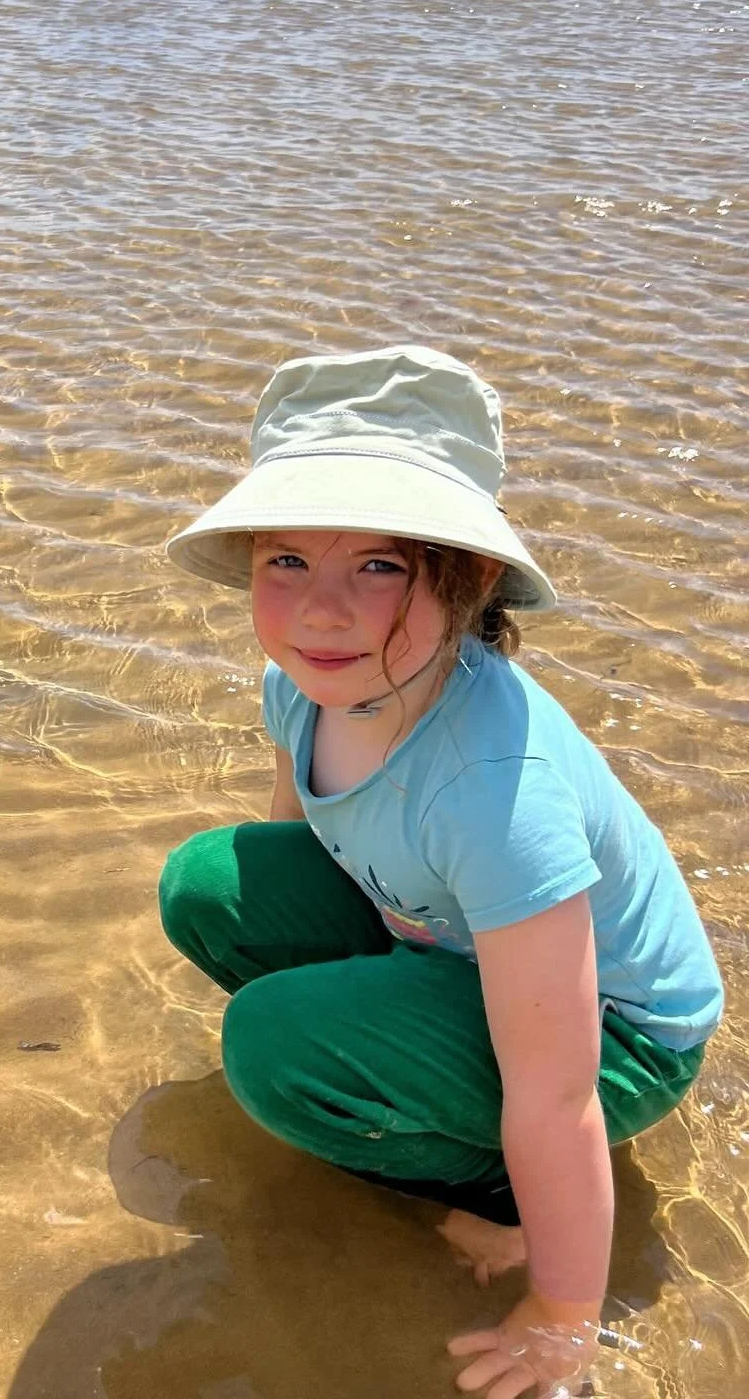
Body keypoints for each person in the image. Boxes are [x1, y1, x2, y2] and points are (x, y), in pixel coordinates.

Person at [157, 345, 723, 1398]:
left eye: (378, 565)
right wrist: (331, 977)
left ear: (473, 581)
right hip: (458, 942)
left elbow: (558, 1094)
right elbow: (305, 853)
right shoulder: (305, 688)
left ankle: (499, 1190)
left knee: (271, 1045)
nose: (321, 611)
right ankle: (401, 1063)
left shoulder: (493, 790)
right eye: (287, 560)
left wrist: (565, 1311)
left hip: (616, 1034)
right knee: (208, 883)